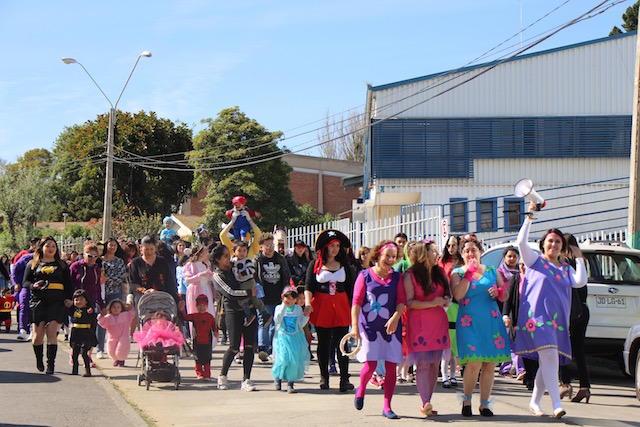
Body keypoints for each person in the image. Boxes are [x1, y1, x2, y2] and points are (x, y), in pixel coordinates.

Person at [515, 208, 587, 419]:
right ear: (543, 244)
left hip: (558, 322)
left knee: (548, 360)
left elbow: (580, 281)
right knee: (549, 356)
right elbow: (521, 242)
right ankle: (556, 403)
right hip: (537, 319)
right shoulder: (534, 261)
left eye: (558, 242)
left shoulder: (565, 268)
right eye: (550, 241)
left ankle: (535, 402)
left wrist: (579, 258)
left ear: (562, 246)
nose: (553, 245)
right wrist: (529, 218)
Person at [451, 234, 511, 417]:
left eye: (474, 250)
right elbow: (458, 295)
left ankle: (484, 404)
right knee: (474, 362)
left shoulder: (492, 270)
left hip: (491, 322)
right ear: (462, 254)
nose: (471, 254)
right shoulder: (457, 273)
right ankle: (467, 400)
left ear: (480, 252)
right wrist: (469, 274)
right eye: (467, 251)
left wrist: (498, 291)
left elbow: (505, 294)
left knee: (489, 364)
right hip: (468, 323)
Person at [350, 240, 405, 419]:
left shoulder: (397, 277)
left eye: (394, 257)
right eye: (387, 256)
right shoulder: (364, 275)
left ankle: (387, 406)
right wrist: (355, 327)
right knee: (371, 364)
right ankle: (361, 389)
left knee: (391, 366)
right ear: (378, 255)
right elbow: (356, 302)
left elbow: (401, 302)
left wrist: (395, 318)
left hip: (391, 329)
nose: (390, 260)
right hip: (369, 328)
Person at [403, 240, 451, 417]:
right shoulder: (410, 275)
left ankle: (428, 402)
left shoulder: (440, 272)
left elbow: (448, 294)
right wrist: (431, 303)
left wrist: (446, 299)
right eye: (433, 251)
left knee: (434, 364)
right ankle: (425, 402)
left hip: (438, 323)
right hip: (420, 324)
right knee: (422, 364)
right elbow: (409, 303)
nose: (437, 254)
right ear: (424, 254)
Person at [304, 229, 355, 392]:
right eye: (332, 245)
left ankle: (344, 378)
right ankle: (324, 377)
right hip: (322, 305)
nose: (335, 249)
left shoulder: (345, 265)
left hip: (341, 305)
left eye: (338, 246)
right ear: (325, 247)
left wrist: (355, 309)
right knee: (324, 343)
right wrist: (308, 303)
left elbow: (351, 289)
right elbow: (308, 286)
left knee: (342, 343)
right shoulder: (315, 264)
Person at [211, 244, 259, 391]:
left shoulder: (237, 265)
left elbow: (251, 276)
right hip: (233, 311)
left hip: (250, 310)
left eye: (229, 255)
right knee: (234, 346)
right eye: (225, 256)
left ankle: (246, 379)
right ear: (218, 260)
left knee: (249, 346)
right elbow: (230, 293)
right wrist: (248, 293)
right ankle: (223, 375)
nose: (229, 258)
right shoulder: (218, 275)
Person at [23, 237, 73, 374]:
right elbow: (25, 282)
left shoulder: (62, 265)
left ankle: (51, 365)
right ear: (41, 248)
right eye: (48, 246)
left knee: (52, 331)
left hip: (56, 301)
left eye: (53, 246)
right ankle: (39, 359)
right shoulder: (33, 264)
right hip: (38, 300)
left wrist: (69, 299)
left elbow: (69, 284)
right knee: (38, 336)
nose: (51, 249)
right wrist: (33, 285)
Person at [559, 233, 591, 404]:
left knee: (560, 347)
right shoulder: (581, 262)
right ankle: (585, 387)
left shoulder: (562, 263)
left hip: (568, 311)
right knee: (579, 350)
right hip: (583, 310)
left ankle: (565, 383)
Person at [254, 232, 291, 361]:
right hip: (263, 297)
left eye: (272, 245)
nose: (270, 248)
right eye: (267, 246)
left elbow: (286, 275)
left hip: (278, 295)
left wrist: (286, 292)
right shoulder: (258, 260)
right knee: (263, 322)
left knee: (276, 323)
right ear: (261, 247)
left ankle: (272, 348)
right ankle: (262, 348)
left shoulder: (280, 259)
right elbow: (254, 278)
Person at [502, 259, 536, 389]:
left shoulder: (536, 278)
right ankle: (527, 373)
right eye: (521, 265)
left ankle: (531, 375)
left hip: (534, 319)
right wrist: (506, 315)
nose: (522, 267)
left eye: (525, 265)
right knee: (521, 347)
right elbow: (508, 298)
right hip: (519, 319)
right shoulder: (516, 278)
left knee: (533, 348)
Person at [70, 242, 105, 362]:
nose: (92, 259)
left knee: (91, 329)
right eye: (90, 256)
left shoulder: (96, 269)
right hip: (78, 302)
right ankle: (74, 352)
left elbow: (98, 288)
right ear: (84, 254)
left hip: (91, 302)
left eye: (95, 256)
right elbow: (70, 284)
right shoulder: (75, 266)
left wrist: (101, 305)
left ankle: (88, 355)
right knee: (77, 329)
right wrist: (70, 300)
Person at [272, 286, 310, 394]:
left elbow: (300, 324)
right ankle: (278, 378)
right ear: (282, 297)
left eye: (293, 298)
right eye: (287, 298)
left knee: (294, 360)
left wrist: (306, 316)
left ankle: (290, 383)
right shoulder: (279, 308)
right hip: (282, 337)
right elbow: (277, 320)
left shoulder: (297, 309)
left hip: (295, 337)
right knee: (282, 359)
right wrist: (283, 307)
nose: (290, 301)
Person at [127, 234, 180, 307]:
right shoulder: (135, 263)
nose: (149, 252)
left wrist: (177, 299)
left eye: (151, 249)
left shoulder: (162, 261)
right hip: (143, 301)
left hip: (162, 300)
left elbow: (169, 281)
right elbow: (133, 283)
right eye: (146, 249)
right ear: (141, 248)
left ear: (155, 248)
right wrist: (144, 291)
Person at [231, 240, 271, 327]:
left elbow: (252, 269)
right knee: (253, 299)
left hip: (247, 282)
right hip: (241, 283)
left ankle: (249, 315)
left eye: (244, 251)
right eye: (239, 251)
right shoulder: (233, 261)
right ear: (234, 252)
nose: (242, 253)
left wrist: (243, 273)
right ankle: (264, 313)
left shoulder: (247, 260)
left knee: (242, 300)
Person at [180, 294, 218, 380]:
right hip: (197, 341)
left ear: (207, 306)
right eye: (200, 306)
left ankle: (207, 374)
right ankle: (200, 373)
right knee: (198, 359)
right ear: (196, 306)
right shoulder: (194, 316)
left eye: (204, 305)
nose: (202, 308)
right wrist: (182, 310)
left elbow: (214, 326)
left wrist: (215, 332)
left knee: (207, 359)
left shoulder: (210, 317)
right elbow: (185, 317)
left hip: (207, 342)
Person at [496, 246, 520, 377]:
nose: (512, 259)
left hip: (516, 310)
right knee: (505, 340)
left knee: (514, 340)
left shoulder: (521, 272)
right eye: (509, 256)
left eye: (514, 256)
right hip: (502, 310)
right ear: (504, 258)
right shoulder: (499, 273)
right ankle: (506, 367)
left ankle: (517, 368)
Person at [183, 245, 215, 328]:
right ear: (200, 254)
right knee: (196, 311)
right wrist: (200, 275)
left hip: (206, 289)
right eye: (206, 251)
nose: (208, 253)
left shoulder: (205, 265)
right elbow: (188, 280)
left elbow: (210, 279)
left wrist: (210, 275)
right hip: (195, 290)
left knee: (208, 310)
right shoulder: (190, 265)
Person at [12, 238, 38, 340]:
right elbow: (15, 269)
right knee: (23, 307)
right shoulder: (26, 258)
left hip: (38, 288)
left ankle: (32, 330)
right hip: (25, 286)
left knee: (34, 309)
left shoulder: (45, 260)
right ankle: (22, 330)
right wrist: (16, 283)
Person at [68, 289, 98, 376]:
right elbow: (67, 313)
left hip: (86, 333)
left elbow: (94, 321)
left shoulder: (89, 310)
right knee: (75, 353)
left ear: (86, 301)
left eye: (81, 299)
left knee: (84, 352)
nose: (79, 302)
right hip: (75, 333)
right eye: (76, 300)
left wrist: (91, 313)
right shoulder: (73, 309)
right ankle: (75, 370)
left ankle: (87, 370)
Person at [98, 299, 136, 367]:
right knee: (112, 351)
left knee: (121, 350)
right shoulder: (108, 317)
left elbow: (132, 315)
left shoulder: (125, 315)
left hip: (123, 337)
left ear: (121, 308)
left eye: (118, 307)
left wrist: (131, 308)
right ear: (110, 308)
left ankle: (121, 360)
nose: (116, 309)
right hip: (112, 337)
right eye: (114, 307)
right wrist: (101, 315)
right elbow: (102, 323)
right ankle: (116, 359)